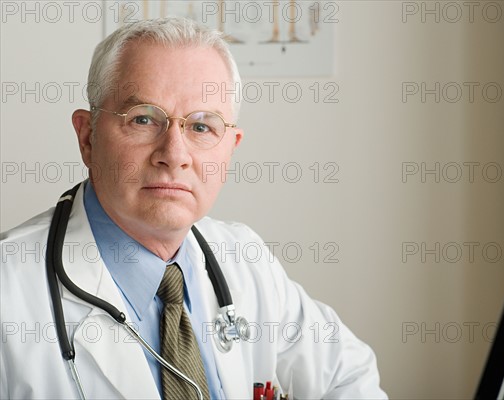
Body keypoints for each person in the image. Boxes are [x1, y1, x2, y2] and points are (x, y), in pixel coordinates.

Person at [0, 18, 386, 399]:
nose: (174, 154)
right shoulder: (10, 290)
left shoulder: (244, 258)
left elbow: (349, 378)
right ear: (88, 138)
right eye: (144, 119)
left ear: (231, 147)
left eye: (202, 127)